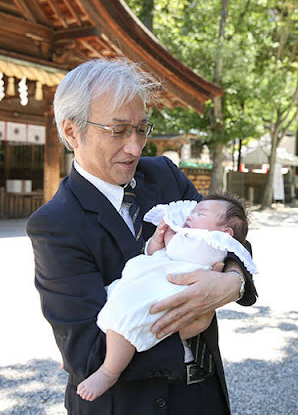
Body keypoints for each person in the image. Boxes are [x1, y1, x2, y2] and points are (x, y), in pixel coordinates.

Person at [26, 57, 257, 415]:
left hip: (204, 394)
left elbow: (229, 237)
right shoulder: (56, 224)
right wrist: (191, 315)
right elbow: (88, 353)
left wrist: (232, 281)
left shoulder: (164, 175)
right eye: (118, 131)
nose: (135, 148)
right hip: (124, 405)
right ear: (72, 132)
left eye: (141, 129)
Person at [77, 195, 257, 402]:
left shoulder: (213, 244)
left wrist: (234, 280)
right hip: (150, 281)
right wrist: (156, 240)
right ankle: (83, 357)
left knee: (128, 320)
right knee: (112, 305)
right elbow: (154, 254)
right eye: (194, 212)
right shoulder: (192, 233)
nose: (191, 216)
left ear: (225, 233)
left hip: (167, 290)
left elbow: (184, 251)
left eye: (201, 214)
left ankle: (109, 371)